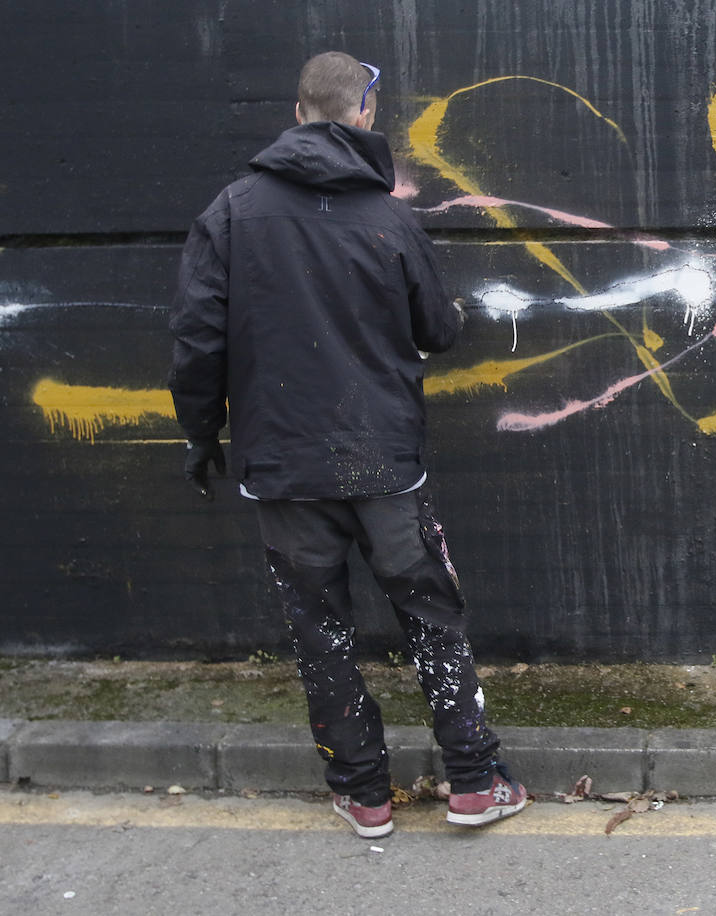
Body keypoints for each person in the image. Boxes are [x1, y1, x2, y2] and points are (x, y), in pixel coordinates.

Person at [167, 51, 526, 839]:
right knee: (432, 617)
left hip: (284, 465)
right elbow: (437, 330)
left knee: (319, 631)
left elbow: (196, 341)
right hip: (384, 463)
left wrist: (200, 433)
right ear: (362, 115)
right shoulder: (389, 217)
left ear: (298, 113)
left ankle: (364, 795)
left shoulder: (230, 214)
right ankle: (473, 781)